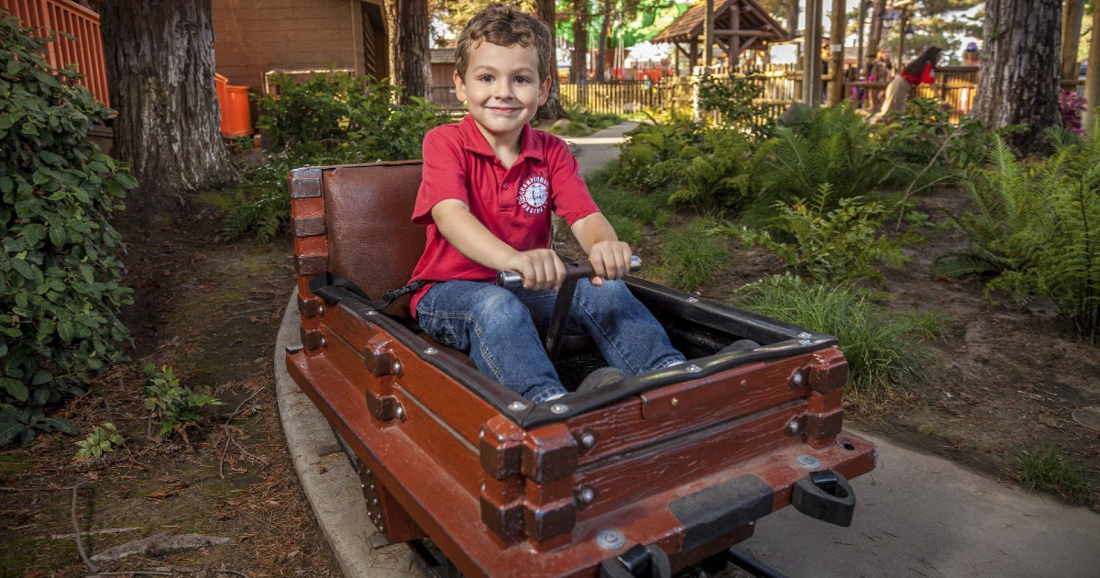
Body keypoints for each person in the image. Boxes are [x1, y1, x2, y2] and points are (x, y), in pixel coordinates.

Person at [406, 4, 685, 403]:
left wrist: (603, 244)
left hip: (524, 286)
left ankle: (668, 380)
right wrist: (514, 259)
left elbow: (585, 214)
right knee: (496, 306)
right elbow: (451, 215)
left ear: (543, 89)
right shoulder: (445, 142)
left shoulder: (551, 150)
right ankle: (546, 405)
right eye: (487, 77)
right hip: (450, 293)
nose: (503, 91)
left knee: (604, 290)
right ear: (462, 86)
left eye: (520, 79)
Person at [873, 46, 941, 122]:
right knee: (889, 110)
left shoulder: (921, 63)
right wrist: (938, 97)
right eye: (938, 56)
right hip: (900, 85)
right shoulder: (927, 65)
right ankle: (874, 126)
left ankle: (891, 131)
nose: (939, 58)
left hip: (901, 85)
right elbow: (930, 81)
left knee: (899, 112)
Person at [864, 49, 893, 113]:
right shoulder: (876, 62)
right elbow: (872, 73)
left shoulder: (890, 64)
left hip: (886, 82)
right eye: (886, 52)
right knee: (872, 90)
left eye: (889, 52)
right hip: (875, 81)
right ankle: (873, 106)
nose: (887, 54)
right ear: (881, 54)